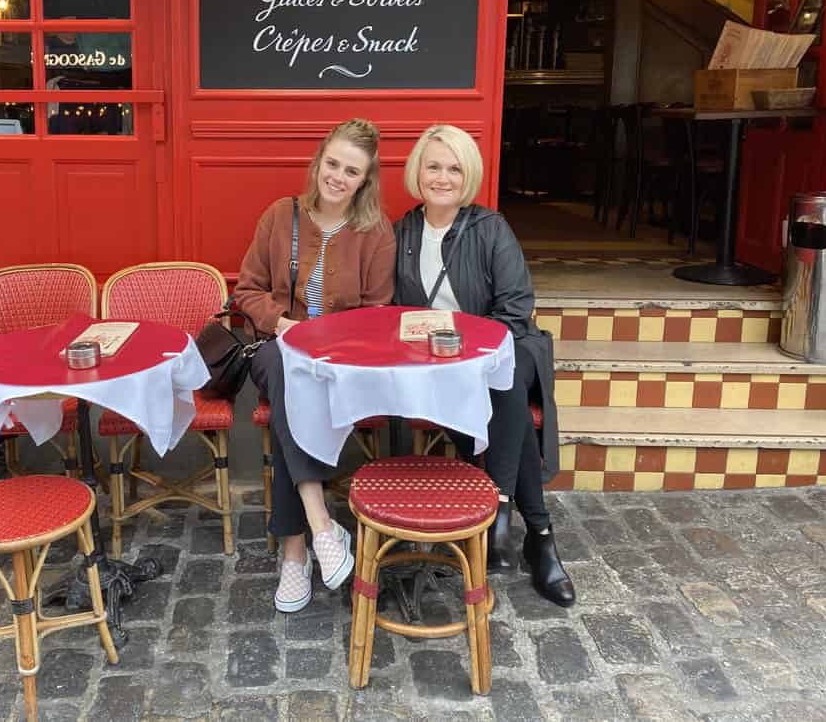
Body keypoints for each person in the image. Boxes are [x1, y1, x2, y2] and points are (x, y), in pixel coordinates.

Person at [392, 124, 576, 607]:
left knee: (507, 379)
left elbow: (516, 309)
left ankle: (500, 508)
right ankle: (535, 533)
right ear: (419, 172)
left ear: (467, 175)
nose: (443, 177)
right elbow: (392, 312)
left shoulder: (491, 228)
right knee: (504, 399)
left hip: (500, 353)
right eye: (433, 166)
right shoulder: (402, 233)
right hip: (433, 368)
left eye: (454, 168)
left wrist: (468, 350)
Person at [236, 119, 396, 613]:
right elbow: (246, 291)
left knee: (294, 399)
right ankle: (320, 524)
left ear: (364, 180)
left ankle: (294, 553)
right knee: (287, 375)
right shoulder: (280, 216)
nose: (338, 177)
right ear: (318, 161)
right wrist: (282, 324)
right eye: (333, 163)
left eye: (351, 170)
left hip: (340, 364)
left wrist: (334, 346)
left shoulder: (375, 233)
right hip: (275, 349)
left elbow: (377, 314)